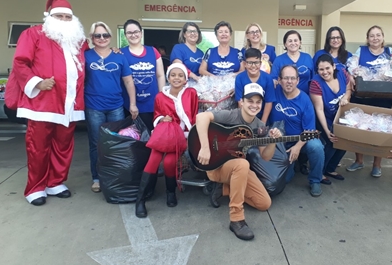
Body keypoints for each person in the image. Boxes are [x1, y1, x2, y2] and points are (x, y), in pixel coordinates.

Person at [12, 0, 89, 205]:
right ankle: (35, 188)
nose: (64, 20)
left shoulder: (79, 41)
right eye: (59, 16)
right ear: (50, 17)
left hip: (70, 104)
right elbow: (20, 62)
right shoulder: (33, 34)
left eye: (67, 16)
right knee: (38, 146)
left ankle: (55, 182)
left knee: (63, 145)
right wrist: (37, 83)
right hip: (43, 103)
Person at [195, 83, 282, 240]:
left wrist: (273, 141)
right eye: (250, 101)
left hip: (238, 169)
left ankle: (223, 190)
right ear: (242, 101)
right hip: (217, 166)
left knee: (264, 203)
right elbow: (201, 117)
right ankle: (236, 219)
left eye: (258, 102)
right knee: (243, 163)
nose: (254, 105)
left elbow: (266, 157)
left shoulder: (260, 127)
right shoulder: (232, 115)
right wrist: (205, 148)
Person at [135, 64, 198, 218]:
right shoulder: (160, 96)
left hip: (181, 136)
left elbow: (195, 114)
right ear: (168, 78)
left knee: (170, 162)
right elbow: (156, 114)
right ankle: (140, 200)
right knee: (153, 160)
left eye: (180, 75)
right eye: (173, 75)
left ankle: (171, 192)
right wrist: (162, 118)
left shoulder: (191, 93)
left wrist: (194, 135)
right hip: (164, 134)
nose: (177, 78)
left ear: (185, 79)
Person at [84, 22, 139, 193]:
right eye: (97, 35)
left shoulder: (119, 56)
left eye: (105, 35)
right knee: (96, 144)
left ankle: (115, 176)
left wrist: (132, 104)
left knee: (116, 143)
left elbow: (128, 81)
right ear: (92, 38)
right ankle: (97, 178)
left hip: (116, 106)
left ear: (110, 37)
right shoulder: (85, 56)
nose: (102, 38)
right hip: (93, 107)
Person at [346, 25, 392, 178]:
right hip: (362, 94)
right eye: (372, 35)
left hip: (383, 96)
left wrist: (391, 75)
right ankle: (359, 160)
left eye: (378, 35)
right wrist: (354, 73)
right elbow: (352, 66)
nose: (375, 38)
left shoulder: (390, 52)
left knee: (381, 128)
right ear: (367, 38)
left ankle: (377, 164)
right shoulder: (361, 50)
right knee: (359, 127)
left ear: (383, 37)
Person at [270, 65, 326, 197]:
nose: (289, 81)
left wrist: (297, 147)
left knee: (316, 146)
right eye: (286, 78)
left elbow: (309, 130)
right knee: (284, 180)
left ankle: (315, 180)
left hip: (301, 139)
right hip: (279, 142)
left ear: (297, 80)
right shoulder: (273, 92)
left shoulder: (305, 99)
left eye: (292, 78)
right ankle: (293, 165)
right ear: (279, 79)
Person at [310, 54, 352, 192]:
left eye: (327, 68)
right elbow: (319, 109)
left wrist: (346, 97)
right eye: (321, 69)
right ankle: (320, 172)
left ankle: (331, 169)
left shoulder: (343, 73)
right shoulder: (315, 83)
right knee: (331, 143)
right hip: (324, 119)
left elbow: (348, 89)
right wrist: (327, 131)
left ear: (334, 66)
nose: (325, 72)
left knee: (345, 142)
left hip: (340, 117)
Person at [120, 19, 166, 132]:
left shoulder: (153, 51)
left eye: (136, 31)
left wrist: (162, 97)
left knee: (151, 136)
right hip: (129, 104)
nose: (133, 35)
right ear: (125, 35)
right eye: (129, 32)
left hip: (151, 102)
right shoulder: (120, 53)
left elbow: (160, 75)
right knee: (132, 137)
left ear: (141, 33)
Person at [234, 47, 276, 124]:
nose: (253, 66)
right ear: (245, 64)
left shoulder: (268, 78)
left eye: (256, 62)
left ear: (260, 63)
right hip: (245, 115)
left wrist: (262, 123)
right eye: (250, 63)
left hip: (262, 115)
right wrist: (246, 121)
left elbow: (269, 102)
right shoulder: (240, 78)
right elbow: (240, 102)